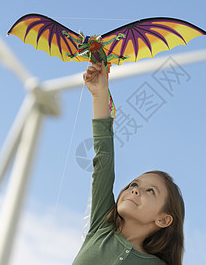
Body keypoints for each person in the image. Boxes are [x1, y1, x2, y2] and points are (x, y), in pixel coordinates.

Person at [72, 62, 185, 265]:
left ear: (164, 219)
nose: (135, 190)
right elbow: (103, 158)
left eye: (150, 191)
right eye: (134, 185)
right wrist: (99, 93)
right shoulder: (101, 226)